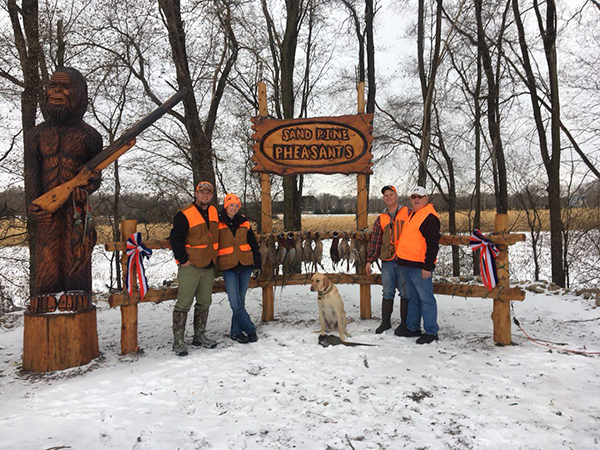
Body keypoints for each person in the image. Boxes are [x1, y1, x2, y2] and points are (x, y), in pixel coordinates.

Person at [25, 67, 103, 313]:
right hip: (47, 205)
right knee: (47, 247)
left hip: (76, 205)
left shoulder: (90, 136)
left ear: (79, 93)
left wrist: (87, 186)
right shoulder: (35, 135)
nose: (56, 92)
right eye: (52, 86)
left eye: (64, 87)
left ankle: (77, 291)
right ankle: (46, 293)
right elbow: (32, 176)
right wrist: (33, 206)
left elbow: (96, 176)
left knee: (77, 246)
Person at [169, 181, 219, 356]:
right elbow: (175, 239)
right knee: (184, 303)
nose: (205, 196)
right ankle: (179, 341)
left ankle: (199, 335)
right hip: (191, 266)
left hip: (208, 265)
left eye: (208, 193)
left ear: (211, 195)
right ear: (196, 194)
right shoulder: (184, 214)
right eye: (202, 192)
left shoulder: (213, 211)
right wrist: (183, 260)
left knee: (205, 302)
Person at [396, 186, 441, 344]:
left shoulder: (429, 217)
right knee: (413, 298)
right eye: (413, 197)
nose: (416, 199)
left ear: (426, 199)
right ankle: (413, 327)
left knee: (426, 299)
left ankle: (431, 331)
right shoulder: (415, 214)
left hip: (421, 266)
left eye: (419, 197)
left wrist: (428, 266)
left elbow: (433, 244)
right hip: (408, 264)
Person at [217, 194, 262, 344]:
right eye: (231, 205)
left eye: (236, 206)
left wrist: (257, 264)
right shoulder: (217, 222)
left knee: (240, 300)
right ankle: (249, 328)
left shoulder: (244, 222)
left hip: (245, 264)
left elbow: (253, 244)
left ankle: (235, 332)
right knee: (235, 302)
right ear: (225, 206)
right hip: (228, 266)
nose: (234, 208)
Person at [365, 185, 410, 334]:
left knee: (405, 292)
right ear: (383, 198)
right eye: (386, 195)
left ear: (396, 196)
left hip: (404, 259)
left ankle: (405, 324)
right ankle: (385, 322)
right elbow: (376, 241)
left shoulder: (408, 213)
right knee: (388, 292)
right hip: (388, 260)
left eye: (391, 194)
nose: (389, 197)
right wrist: (370, 260)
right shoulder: (381, 219)